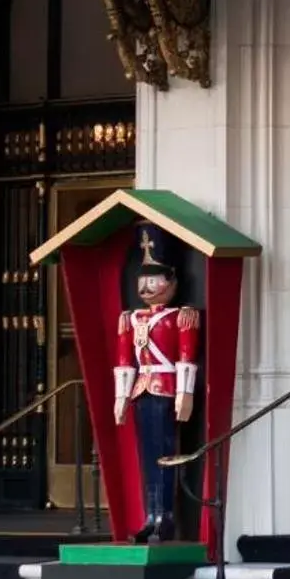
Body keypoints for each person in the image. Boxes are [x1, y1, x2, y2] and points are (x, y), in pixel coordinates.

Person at [113, 225, 200, 543]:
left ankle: (166, 516)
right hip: (141, 390)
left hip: (166, 387)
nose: (147, 287)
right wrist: (121, 397)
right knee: (147, 455)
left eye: (155, 279)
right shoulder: (131, 318)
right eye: (143, 279)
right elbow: (124, 361)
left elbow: (186, 357)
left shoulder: (182, 316)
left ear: (172, 281)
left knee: (165, 452)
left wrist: (184, 392)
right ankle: (150, 515)